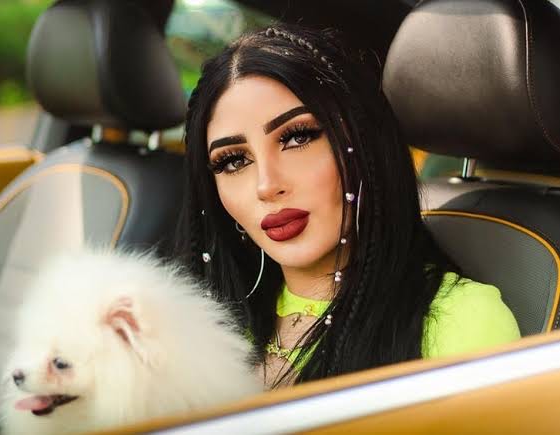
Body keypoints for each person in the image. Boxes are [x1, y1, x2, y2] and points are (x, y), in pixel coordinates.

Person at [173, 24, 520, 389]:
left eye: (297, 137)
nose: (266, 185)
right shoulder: (200, 327)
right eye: (233, 161)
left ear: (363, 142)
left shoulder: (460, 322)